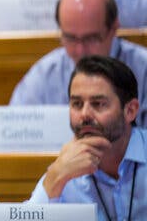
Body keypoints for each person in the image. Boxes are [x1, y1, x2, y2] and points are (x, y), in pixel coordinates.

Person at [28, 55, 147, 220]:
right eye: (77, 104)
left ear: (130, 111)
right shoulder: (65, 169)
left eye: (98, 104)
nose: (84, 114)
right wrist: (54, 178)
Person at [10, 0, 147, 126]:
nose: (80, 51)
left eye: (91, 38)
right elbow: (16, 131)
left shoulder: (143, 69)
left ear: (113, 29)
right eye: (70, 38)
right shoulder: (44, 75)